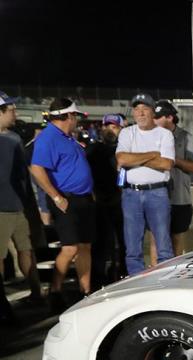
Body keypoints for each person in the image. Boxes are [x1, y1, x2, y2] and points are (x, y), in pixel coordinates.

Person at [28, 98, 96, 311]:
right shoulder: (49, 137)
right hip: (66, 199)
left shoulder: (66, 137)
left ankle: (85, 291)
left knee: (85, 246)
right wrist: (57, 197)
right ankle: (55, 291)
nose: (76, 119)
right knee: (70, 247)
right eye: (75, 115)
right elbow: (37, 168)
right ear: (67, 116)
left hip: (82, 198)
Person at [115, 93, 175, 275]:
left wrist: (135, 159)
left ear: (152, 112)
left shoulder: (164, 134)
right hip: (131, 194)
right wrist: (152, 154)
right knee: (133, 247)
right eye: (137, 109)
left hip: (157, 193)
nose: (140, 113)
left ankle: (165, 281)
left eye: (145, 109)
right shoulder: (127, 132)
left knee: (164, 246)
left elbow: (166, 164)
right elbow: (122, 159)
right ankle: (136, 284)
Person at [0, 91, 42, 322]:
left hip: (19, 206)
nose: (15, 112)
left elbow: (22, 175)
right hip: (1, 208)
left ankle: (36, 292)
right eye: (11, 109)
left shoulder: (15, 138)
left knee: (26, 248)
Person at [149, 100, 193, 260]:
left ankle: (174, 271)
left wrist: (174, 161)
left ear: (169, 117)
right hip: (155, 197)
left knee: (176, 239)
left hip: (179, 199)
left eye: (157, 117)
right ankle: (154, 275)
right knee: (155, 239)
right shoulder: (149, 137)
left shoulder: (185, 137)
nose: (154, 121)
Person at [87, 113, 126, 288]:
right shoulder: (92, 150)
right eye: (107, 126)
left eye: (114, 127)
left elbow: (124, 175)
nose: (110, 130)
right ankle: (98, 280)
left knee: (125, 243)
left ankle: (124, 273)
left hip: (121, 202)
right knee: (102, 244)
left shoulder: (125, 150)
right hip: (100, 203)